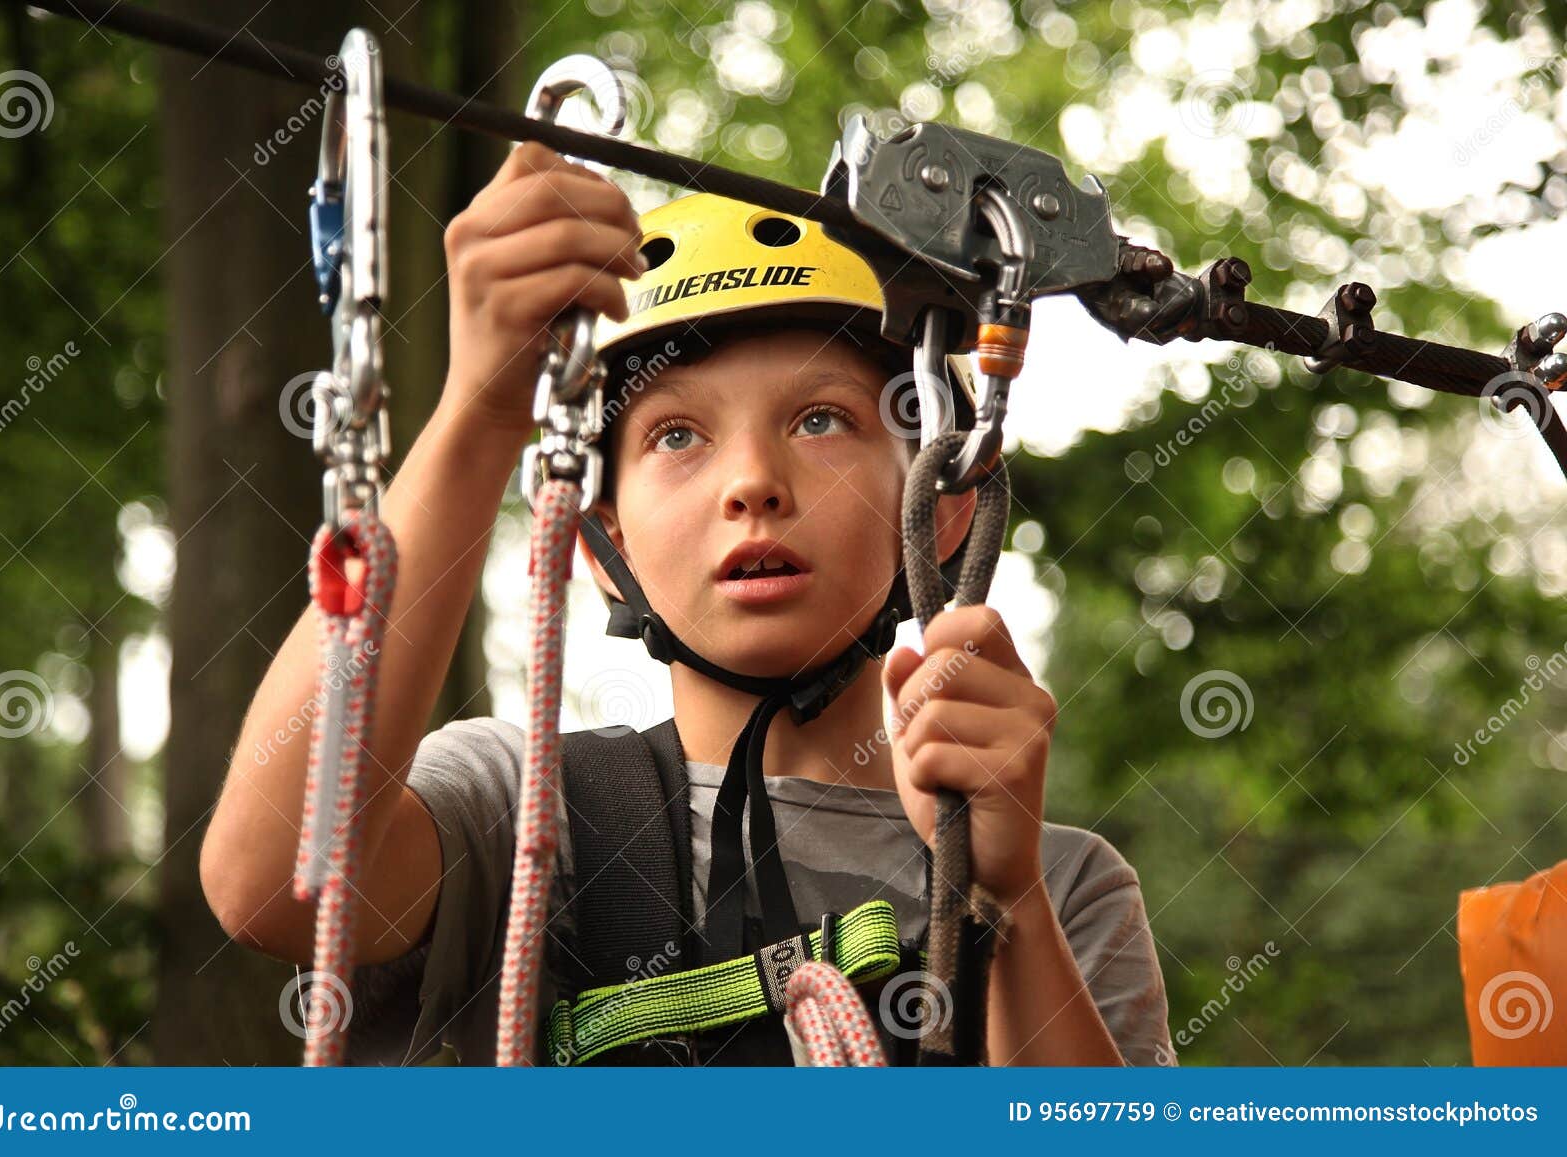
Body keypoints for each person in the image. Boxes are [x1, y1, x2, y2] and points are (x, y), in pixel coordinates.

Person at [199, 141, 1175, 1067]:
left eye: (821, 419)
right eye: (675, 435)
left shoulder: (1067, 886)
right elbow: (275, 882)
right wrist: (481, 409)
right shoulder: (526, 815)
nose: (752, 481)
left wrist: (1005, 904)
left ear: (939, 504)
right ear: (605, 544)